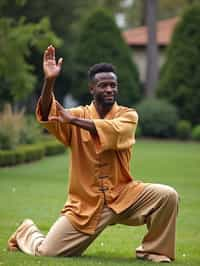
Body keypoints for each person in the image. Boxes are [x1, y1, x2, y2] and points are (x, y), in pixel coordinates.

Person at [8, 45, 179, 263]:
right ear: (92, 89)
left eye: (113, 85)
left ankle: (154, 251)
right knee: (48, 252)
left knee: (167, 195)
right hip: (84, 205)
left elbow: (114, 130)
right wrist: (50, 81)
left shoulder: (128, 115)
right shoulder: (77, 114)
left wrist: (73, 121)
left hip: (124, 196)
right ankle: (26, 231)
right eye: (103, 85)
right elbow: (48, 114)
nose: (109, 90)